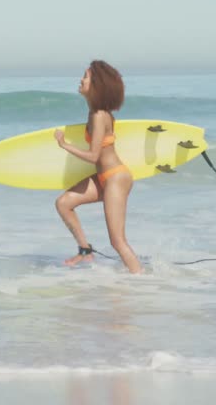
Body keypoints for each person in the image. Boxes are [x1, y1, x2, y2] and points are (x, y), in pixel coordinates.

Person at [53, 60, 143, 274]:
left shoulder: (99, 116)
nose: (81, 80)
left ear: (96, 85)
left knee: (117, 241)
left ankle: (142, 282)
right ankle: (85, 250)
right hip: (103, 178)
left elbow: (94, 156)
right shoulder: (94, 113)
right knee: (64, 203)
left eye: (85, 76)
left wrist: (64, 145)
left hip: (115, 178)